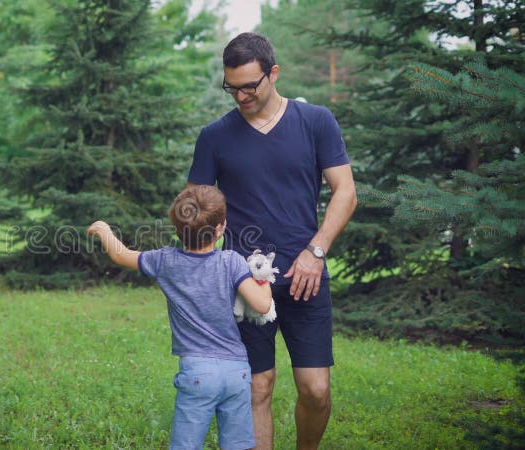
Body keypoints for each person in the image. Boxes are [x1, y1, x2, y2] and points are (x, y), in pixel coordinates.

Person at [187, 32, 357, 449]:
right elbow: (194, 208)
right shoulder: (214, 136)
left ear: (273, 73)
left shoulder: (316, 122)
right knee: (257, 389)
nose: (240, 95)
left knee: (315, 389)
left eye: (249, 85)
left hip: (306, 276)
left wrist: (315, 252)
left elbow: (346, 192)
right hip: (243, 285)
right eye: (232, 87)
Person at [87, 185, 274, 450]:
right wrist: (262, 275)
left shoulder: (165, 262)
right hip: (237, 371)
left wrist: (105, 231)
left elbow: (120, 255)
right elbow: (262, 305)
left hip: (197, 371)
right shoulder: (231, 261)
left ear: (177, 229)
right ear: (221, 228)